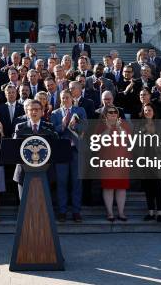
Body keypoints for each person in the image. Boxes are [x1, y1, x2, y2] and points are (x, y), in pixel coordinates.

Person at [52, 89, 87, 223]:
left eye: (67, 97)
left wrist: (75, 125)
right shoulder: (55, 113)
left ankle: (76, 211)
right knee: (62, 182)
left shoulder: (80, 111)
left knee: (76, 182)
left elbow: (85, 128)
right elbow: (54, 131)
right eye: (62, 98)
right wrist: (64, 124)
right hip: (62, 152)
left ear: (72, 98)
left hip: (76, 150)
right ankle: (62, 211)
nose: (64, 100)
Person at [12, 99, 58, 198]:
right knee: (25, 206)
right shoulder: (20, 127)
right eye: (31, 109)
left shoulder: (49, 127)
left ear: (42, 112)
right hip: (24, 172)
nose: (34, 112)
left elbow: (55, 147)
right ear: (27, 112)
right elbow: (14, 147)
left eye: (37, 109)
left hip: (44, 172)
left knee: (43, 205)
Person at [97, 105, 130, 222]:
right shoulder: (101, 126)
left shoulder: (124, 125)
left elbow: (128, 140)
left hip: (121, 161)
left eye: (115, 112)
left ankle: (121, 213)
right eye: (110, 113)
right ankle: (110, 213)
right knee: (108, 188)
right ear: (106, 115)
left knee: (121, 188)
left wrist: (119, 127)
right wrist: (109, 127)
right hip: (107, 161)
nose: (113, 114)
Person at [139, 103, 161, 223]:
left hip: (158, 158)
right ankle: (150, 212)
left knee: (158, 187)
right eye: (145, 111)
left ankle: (160, 212)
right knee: (148, 187)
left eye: (149, 110)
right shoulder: (140, 124)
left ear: (154, 111)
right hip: (145, 159)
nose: (147, 112)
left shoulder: (159, 123)